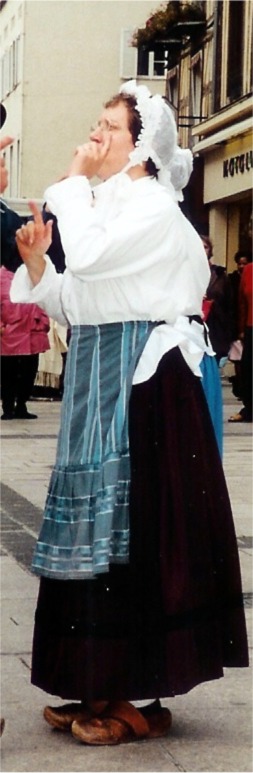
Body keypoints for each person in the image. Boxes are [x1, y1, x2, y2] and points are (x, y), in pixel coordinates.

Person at [11, 80, 248, 745]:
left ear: (142, 149)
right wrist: (39, 265)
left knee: (131, 536)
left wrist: (69, 182)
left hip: (146, 393)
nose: (96, 137)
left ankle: (124, 690)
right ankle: (96, 681)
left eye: (109, 127)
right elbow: (82, 302)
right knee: (95, 538)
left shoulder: (150, 208)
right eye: (96, 124)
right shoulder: (114, 208)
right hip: (103, 379)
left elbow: (86, 256)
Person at [0, 264, 50, 419]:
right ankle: (7, 408)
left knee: (29, 373)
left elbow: (45, 299)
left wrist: (43, 322)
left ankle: (21, 405)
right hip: (10, 335)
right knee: (8, 374)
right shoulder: (2, 277)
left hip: (32, 334)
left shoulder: (33, 272)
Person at [200, 235, 233, 364]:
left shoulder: (220, 275)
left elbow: (230, 307)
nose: (202, 250)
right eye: (199, 247)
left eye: (205, 247)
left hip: (216, 329)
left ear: (210, 250)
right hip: (193, 327)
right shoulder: (185, 273)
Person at [228, 261, 253, 423]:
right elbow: (242, 303)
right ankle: (249, 409)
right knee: (248, 369)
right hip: (251, 326)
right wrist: (242, 329)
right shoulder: (249, 270)